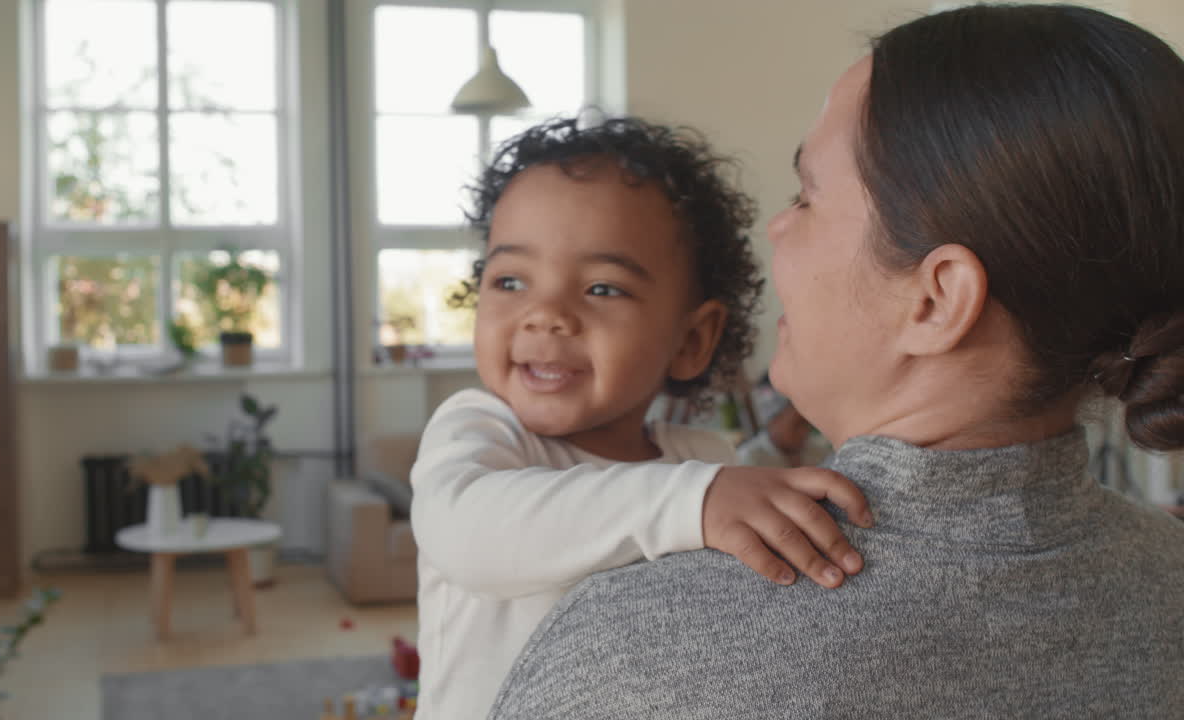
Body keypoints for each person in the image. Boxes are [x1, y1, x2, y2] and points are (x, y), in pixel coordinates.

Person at [488, 6, 1184, 718]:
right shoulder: (1170, 579)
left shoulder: (638, 649)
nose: (776, 227)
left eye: (806, 197)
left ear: (936, 301)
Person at [408, 117, 874, 720]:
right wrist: (692, 502)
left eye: (602, 289)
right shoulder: (482, 432)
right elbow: (465, 535)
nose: (545, 314)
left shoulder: (703, 460)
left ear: (691, 340)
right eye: (511, 280)